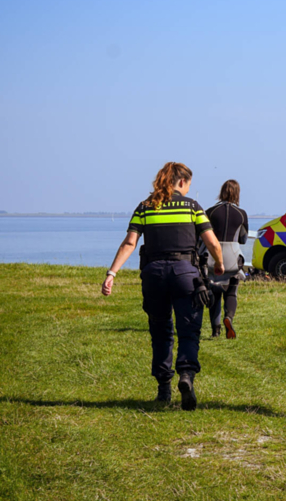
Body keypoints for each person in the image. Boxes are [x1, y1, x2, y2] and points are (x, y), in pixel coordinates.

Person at [102, 162, 224, 411]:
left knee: (160, 331)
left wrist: (111, 273)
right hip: (185, 274)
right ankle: (186, 376)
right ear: (181, 182)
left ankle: (163, 389)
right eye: (188, 184)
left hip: (154, 274)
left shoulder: (145, 207)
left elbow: (129, 243)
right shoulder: (192, 207)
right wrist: (219, 264)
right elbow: (212, 243)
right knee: (188, 330)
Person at [203, 180, 249, 338]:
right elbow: (243, 239)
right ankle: (228, 317)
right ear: (237, 193)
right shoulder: (242, 214)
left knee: (214, 293)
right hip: (233, 258)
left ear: (222, 192)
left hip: (213, 257)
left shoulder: (210, 212)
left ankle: (215, 329)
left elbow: (204, 235)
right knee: (231, 292)